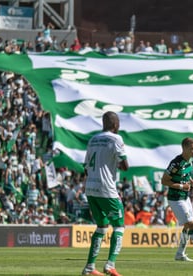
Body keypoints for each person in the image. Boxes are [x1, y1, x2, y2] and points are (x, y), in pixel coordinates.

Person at [81, 111, 129, 276]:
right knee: (119, 226)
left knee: (101, 227)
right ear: (115, 125)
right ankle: (110, 265)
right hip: (106, 188)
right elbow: (125, 166)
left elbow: (85, 166)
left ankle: (89, 268)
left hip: (90, 187)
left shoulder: (93, 139)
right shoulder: (116, 139)